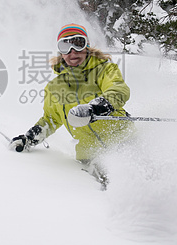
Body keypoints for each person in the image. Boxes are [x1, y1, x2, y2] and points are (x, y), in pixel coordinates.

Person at [9, 23, 133, 169]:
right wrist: (29, 139)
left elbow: (118, 89)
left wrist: (96, 107)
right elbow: (51, 120)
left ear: (86, 46)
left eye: (78, 44)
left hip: (125, 146)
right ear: (60, 52)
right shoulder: (55, 86)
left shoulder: (104, 69)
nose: (72, 52)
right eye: (65, 47)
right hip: (89, 157)